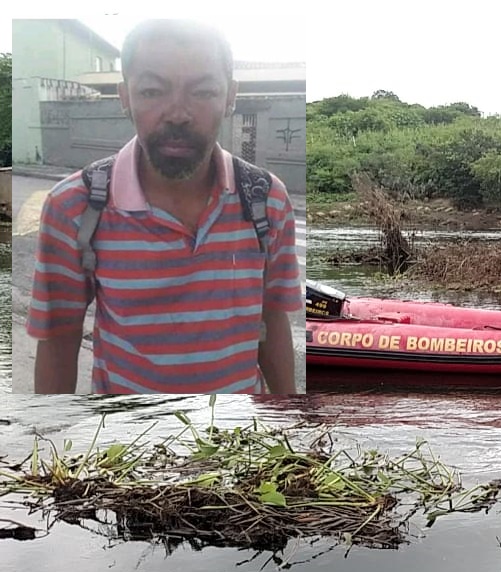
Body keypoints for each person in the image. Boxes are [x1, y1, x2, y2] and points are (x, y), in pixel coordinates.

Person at [28, 19, 301, 394]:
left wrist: (289, 428)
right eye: (153, 91)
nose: (177, 114)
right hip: (124, 444)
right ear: (125, 97)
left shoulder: (266, 200)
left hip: (239, 445)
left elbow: (272, 319)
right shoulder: (74, 206)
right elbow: (59, 337)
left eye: (203, 92)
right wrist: (51, 444)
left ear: (230, 96)